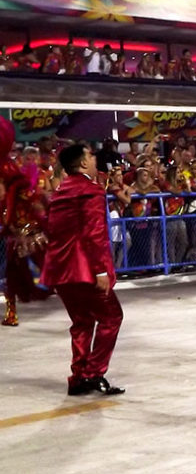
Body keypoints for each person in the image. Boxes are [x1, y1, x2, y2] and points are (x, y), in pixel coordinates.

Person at [40, 144, 125, 396]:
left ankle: (78, 376)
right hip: (85, 270)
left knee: (82, 321)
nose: (94, 157)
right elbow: (94, 233)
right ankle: (94, 373)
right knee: (111, 317)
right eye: (90, 155)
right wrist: (100, 271)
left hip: (61, 270)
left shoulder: (60, 191)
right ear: (83, 164)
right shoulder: (90, 190)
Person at [1, 119, 52, 326]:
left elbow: (30, 203)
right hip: (16, 231)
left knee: (13, 273)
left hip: (21, 232)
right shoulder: (12, 170)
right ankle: (12, 312)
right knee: (12, 274)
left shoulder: (12, 174)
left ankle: (12, 312)